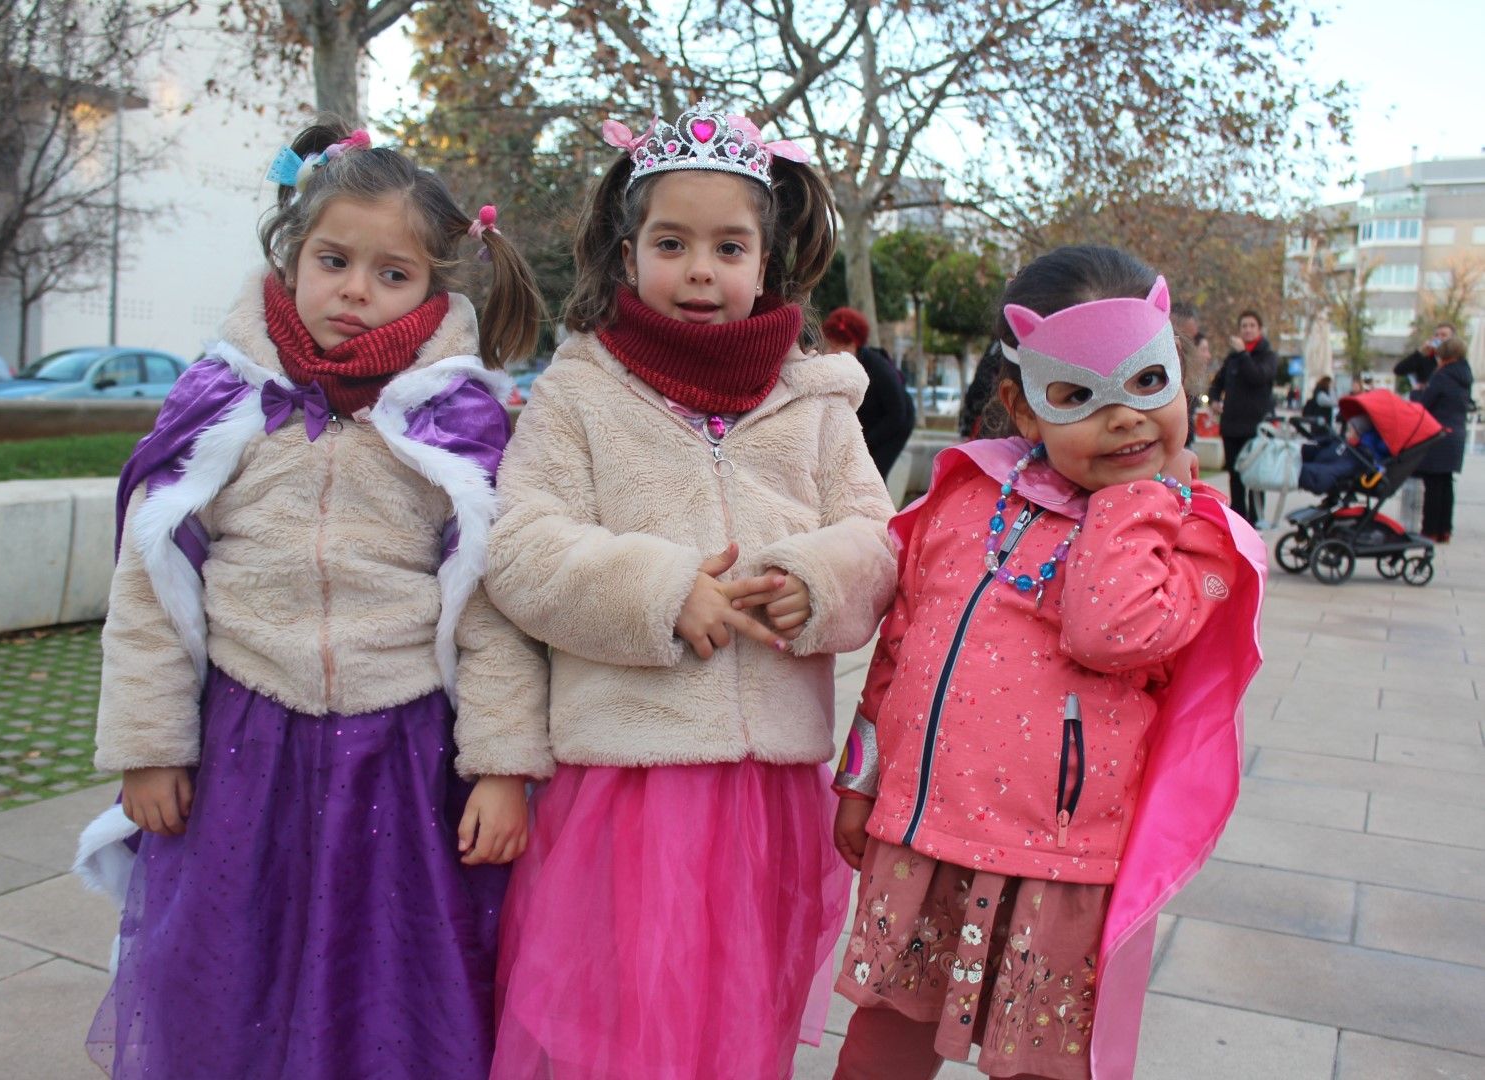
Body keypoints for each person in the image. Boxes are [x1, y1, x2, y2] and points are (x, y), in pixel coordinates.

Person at [74, 118, 550, 1079]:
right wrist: (149, 745)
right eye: (334, 260)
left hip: (404, 756)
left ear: (435, 286)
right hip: (244, 742)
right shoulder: (223, 402)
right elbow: (151, 587)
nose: (357, 292)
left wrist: (502, 765)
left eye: (393, 273)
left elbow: (497, 607)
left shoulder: (459, 422)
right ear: (291, 257)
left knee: (390, 979)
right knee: (230, 968)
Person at [482, 101, 899, 1079]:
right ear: (627, 256)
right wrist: (663, 590)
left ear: (770, 262)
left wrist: (816, 580)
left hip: (767, 793)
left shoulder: (818, 404)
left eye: (728, 246)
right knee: (616, 1017)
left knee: (736, 1011)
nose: (701, 271)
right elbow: (522, 548)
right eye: (672, 243)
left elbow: (881, 544)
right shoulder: (581, 393)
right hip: (625, 786)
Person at [827, 245, 1265, 1080]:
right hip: (925, 836)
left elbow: (1111, 630)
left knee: (1037, 1061)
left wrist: (1139, 499)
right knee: (886, 1035)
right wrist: (861, 779)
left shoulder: (1193, 535)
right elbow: (901, 649)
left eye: (1147, 385)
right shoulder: (963, 498)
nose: (1129, 417)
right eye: (1080, 397)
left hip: (1059, 859)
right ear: (1023, 408)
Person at [823, 305, 917, 479]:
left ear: (854, 345)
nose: (833, 352)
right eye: (831, 345)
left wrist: (866, 441)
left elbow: (897, 413)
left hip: (897, 422)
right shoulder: (838, 367)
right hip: (871, 422)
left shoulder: (879, 369)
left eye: (840, 346)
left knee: (873, 475)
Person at [1207, 309, 1278, 524]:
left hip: (1256, 429)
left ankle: (1257, 519)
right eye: (1244, 326)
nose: (1247, 330)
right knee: (1235, 477)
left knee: (1255, 477)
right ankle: (1239, 519)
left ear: (1260, 330)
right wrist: (1214, 400)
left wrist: (1244, 355)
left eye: (1251, 326)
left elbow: (1259, 377)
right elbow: (1217, 383)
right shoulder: (1232, 358)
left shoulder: (1268, 356)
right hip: (1232, 426)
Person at [1415, 336, 1475, 542]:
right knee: (1446, 482)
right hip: (1457, 433)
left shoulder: (1442, 375)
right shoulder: (1465, 375)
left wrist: (1417, 396)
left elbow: (1426, 403)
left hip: (1439, 433)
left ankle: (1430, 529)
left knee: (1433, 484)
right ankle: (1444, 529)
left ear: (1446, 355)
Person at [1394, 321, 1455, 392]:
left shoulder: (1456, 360)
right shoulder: (1426, 358)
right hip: (1424, 400)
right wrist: (1420, 352)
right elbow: (1399, 370)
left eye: (1443, 335)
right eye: (1436, 335)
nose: (1439, 338)